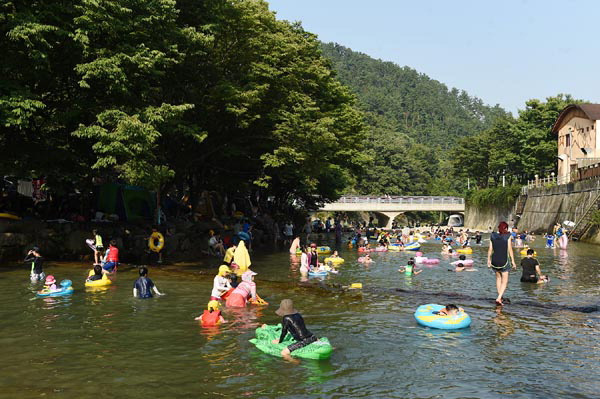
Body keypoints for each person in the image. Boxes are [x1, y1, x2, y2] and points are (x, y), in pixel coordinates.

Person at [487, 221, 517, 306]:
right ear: (506, 228)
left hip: (494, 260)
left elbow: (490, 249)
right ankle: (499, 297)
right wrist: (513, 261)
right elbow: (510, 249)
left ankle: (500, 297)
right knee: (505, 281)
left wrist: (488, 260)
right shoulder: (508, 236)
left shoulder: (492, 235)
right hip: (504, 261)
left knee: (498, 279)